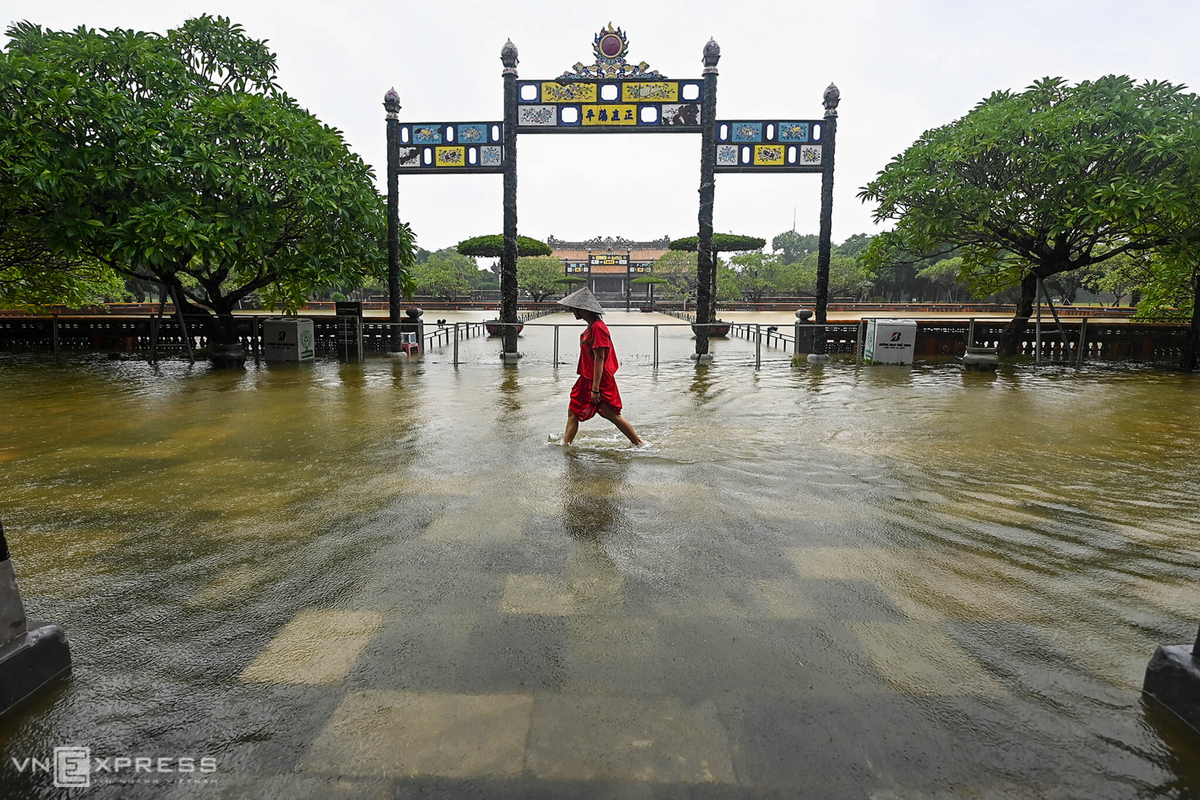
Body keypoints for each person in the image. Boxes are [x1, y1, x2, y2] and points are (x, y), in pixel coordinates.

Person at [557, 287, 643, 446]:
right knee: (573, 411)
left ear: (584, 310)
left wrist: (595, 389)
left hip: (598, 381)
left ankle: (639, 443)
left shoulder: (598, 328)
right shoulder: (592, 327)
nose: (572, 311)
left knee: (612, 415)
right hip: (587, 378)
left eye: (574, 308)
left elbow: (600, 359)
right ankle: (565, 444)